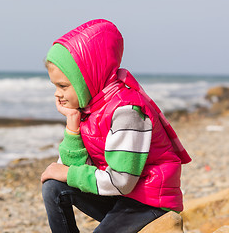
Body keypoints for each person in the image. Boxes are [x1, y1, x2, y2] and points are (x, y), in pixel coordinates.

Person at [41, 19, 191, 233]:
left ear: (88, 77)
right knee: (54, 187)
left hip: (148, 201)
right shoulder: (90, 106)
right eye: (55, 86)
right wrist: (72, 126)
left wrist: (67, 174)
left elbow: (121, 181)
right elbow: (71, 166)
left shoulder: (126, 111)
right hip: (120, 194)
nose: (57, 93)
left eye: (63, 86)